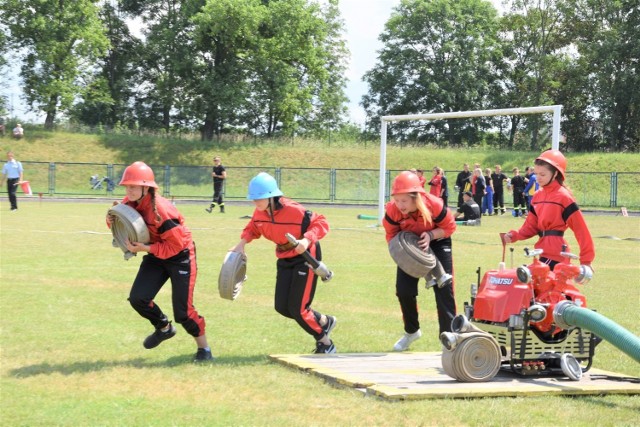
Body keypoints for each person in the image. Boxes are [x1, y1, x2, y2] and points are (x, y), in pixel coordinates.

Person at [106, 161, 212, 362]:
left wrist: (146, 248)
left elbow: (176, 245)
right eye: (127, 186)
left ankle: (204, 349)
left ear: (147, 187)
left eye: (134, 186)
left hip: (181, 256)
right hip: (156, 254)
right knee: (138, 298)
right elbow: (125, 227)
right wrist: (111, 221)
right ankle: (164, 328)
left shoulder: (163, 211)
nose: (129, 190)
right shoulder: (130, 203)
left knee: (183, 313)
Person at [229, 172, 338, 354]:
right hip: (284, 255)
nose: (256, 203)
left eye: (259, 199)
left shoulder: (295, 210)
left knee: (298, 308)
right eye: (253, 199)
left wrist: (306, 240)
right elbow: (253, 228)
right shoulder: (260, 213)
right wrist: (241, 244)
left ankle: (326, 344)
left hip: (306, 256)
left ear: (272, 197)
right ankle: (324, 321)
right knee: (282, 307)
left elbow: (321, 222)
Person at [383, 171, 457, 351]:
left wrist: (431, 235)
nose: (400, 205)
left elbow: (450, 227)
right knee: (404, 290)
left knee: (444, 287)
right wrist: (403, 254)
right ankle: (411, 331)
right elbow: (391, 235)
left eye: (404, 201)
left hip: (438, 240)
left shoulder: (434, 204)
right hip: (409, 245)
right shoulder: (392, 210)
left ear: (416, 197)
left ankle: (449, 337)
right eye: (397, 200)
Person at [503, 150, 594, 271]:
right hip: (543, 252)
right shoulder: (537, 196)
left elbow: (581, 229)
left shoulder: (564, 197)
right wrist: (514, 235)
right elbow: (530, 226)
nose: (537, 178)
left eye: (542, 174)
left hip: (558, 255)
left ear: (555, 174)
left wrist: (586, 260)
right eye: (536, 174)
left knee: (529, 278)